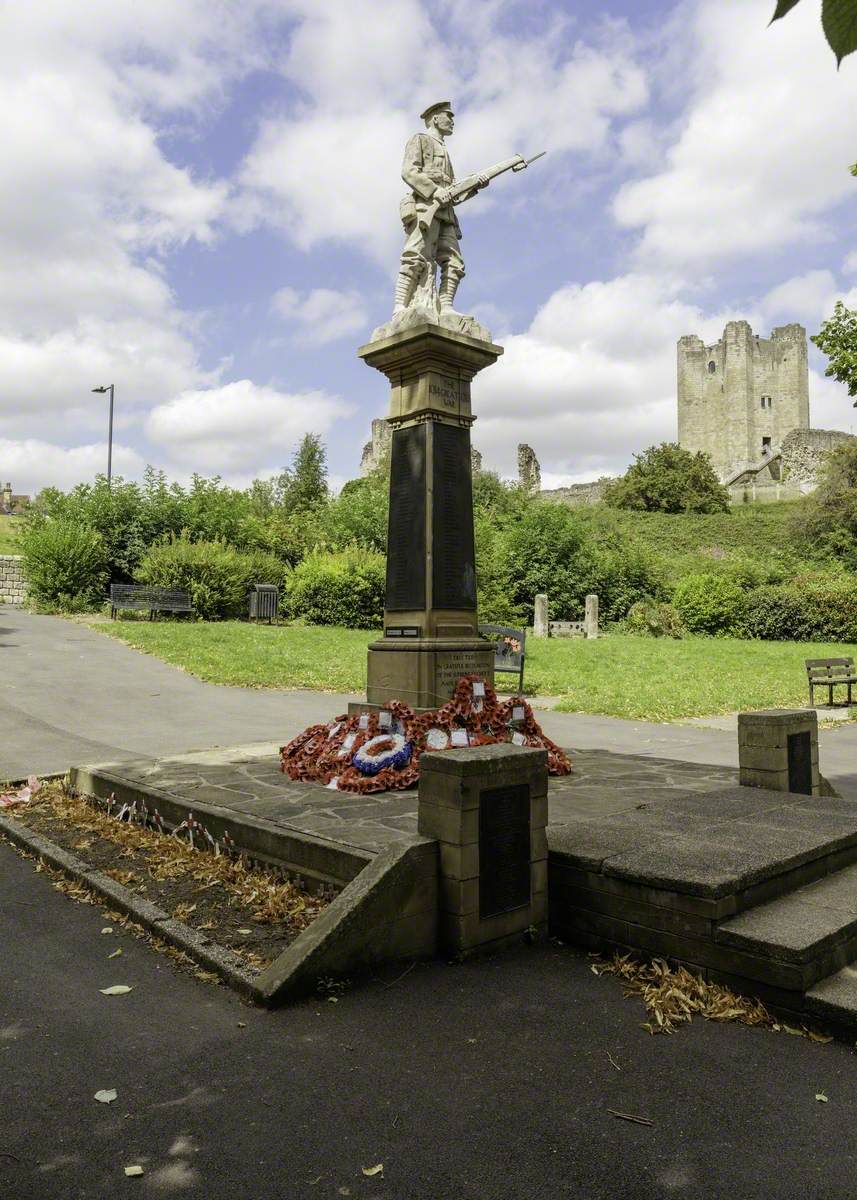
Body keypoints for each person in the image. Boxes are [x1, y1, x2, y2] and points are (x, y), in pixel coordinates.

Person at [393, 100, 487, 318]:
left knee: (454, 263)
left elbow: (452, 191)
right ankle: (399, 307)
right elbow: (409, 172)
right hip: (425, 207)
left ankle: (446, 308)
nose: (452, 121)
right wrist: (434, 192)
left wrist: (474, 186)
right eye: (448, 115)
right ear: (435, 118)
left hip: (446, 213)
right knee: (414, 256)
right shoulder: (420, 140)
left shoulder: (444, 150)